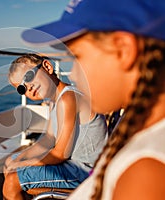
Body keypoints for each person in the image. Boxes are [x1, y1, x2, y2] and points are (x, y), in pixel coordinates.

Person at [21, 0, 165, 199]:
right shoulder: (139, 132)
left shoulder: (146, 172)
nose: (72, 73)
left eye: (77, 57)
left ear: (123, 50)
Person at [2, 53, 108, 200]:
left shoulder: (68, 98)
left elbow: (60, 154)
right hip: (74, 165)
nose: (28, 88)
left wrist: (23, 164)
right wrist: (19, 158)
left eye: (28, 77)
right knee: (10, 163)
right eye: (22, 89)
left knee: (13, 181)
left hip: (86, 171)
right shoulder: (56, 100)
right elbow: (49, 139)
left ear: (47, 67)